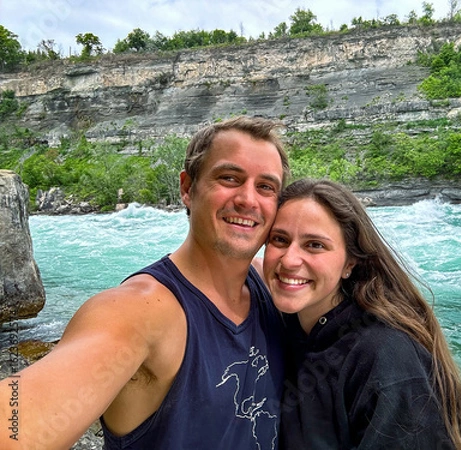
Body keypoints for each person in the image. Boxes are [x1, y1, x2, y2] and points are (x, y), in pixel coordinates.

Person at [0, 116, 291, 450]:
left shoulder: (274, 287)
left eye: (266, 187)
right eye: (229, 178)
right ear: (187, 188)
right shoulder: (139, 312)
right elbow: (16, 424)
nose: (248, 200)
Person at [261, 178, 461, 450]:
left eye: (315, 245)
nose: (289, 260)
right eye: (279, 240)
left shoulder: (384, 357)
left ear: (350, 263)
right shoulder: (289, 327)